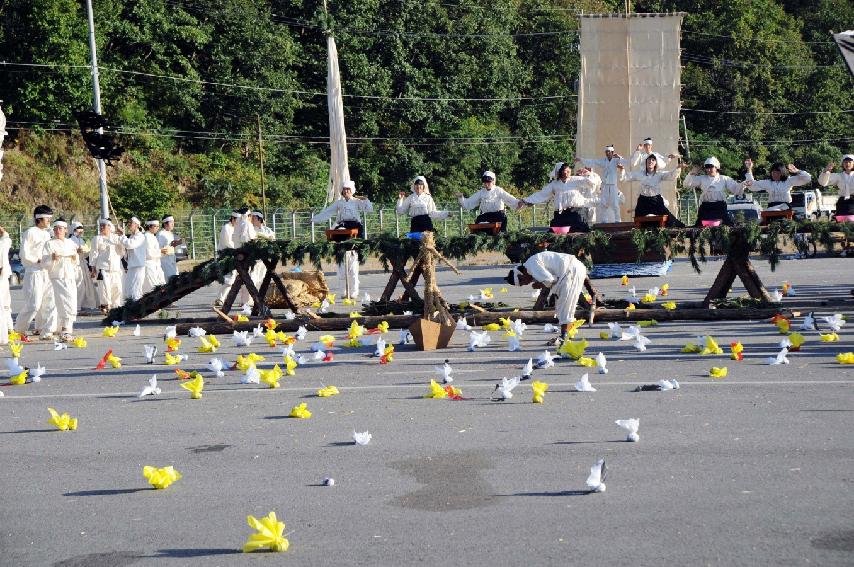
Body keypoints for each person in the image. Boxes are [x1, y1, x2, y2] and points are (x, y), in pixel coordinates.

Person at [505, 251, 587, 346]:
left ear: (521, 275)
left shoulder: (531, 266)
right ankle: (567, 334)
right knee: (565, 306)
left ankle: (564, 337)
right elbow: (553, 279)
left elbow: (549, 280)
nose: (527, 284)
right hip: (573, 270)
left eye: (523, 282)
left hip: (570, 271)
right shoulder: (531, 264)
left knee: (564, 307)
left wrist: (539, 284)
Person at [14, 205, 57, 340]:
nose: (49, 221)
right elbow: (24, 254)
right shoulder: (30, 232)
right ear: (39, 218)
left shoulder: (47, 233)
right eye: (47, 218)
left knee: (50, 303)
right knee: (34, 305)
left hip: (47, 271)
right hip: (34, 272)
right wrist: (38, 261)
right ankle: (19, 331)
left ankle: (46, 331)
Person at [518, 162, 598, 231]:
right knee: (556, 234)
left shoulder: (576, 180)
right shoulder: (554, 184)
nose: (566, 173)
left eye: (568, 170)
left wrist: (588, 174)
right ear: (559, 172)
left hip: (577, 213)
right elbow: (541, 194)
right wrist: (525, 201)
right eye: (564, 171)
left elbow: (592, 183)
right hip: (561, 214)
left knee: (579, 234)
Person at [618, 154, 687, 227]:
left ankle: (677, 231)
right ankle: (641, 235)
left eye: (653, 160)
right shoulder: (640, 174)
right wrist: (622, 169)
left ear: (655, 163)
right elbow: (626, 177)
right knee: (638, 218)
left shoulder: (659, 174)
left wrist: (678, 167)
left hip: (656, 201)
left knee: (669, 219)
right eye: (649, 160)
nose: (650, 161)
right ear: (646, 162)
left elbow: (671, 175)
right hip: (643, 201)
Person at [43, 219, 79, 341]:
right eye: (56, 228)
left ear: (65, 230)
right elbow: (44, 262)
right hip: (57, 275)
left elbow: (76, 260)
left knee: (72, 301)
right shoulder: (49, 244)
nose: (58, 231)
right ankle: (65, 330)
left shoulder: (70, 243)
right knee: (65, 302)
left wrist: (74, 257)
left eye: (60, 228)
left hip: (69, 275)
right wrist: (52, 257)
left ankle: (67, 329)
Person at [683, 157, 745, 226]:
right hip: (706, 207)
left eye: (711, 167)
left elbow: (736, 189)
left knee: (728, 226)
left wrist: (743, 184)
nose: (708, 170)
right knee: (698, 227)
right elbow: (686, 185)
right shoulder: (702, 178)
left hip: (720, 206)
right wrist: (692, 173)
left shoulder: (724, 178)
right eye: (707, 167)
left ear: (716, 167)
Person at [576, 146, 625, 223]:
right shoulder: (603, 161)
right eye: (606, 152)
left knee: (615, 204)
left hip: (612, 186)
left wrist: (619, 158)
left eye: (609, 152)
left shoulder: (616, 161)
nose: (608, 153)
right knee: (603, 204)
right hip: (603, 187)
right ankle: (604, 220)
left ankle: (617, 220)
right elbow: (593, 162)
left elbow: (624, 162)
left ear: (612, 153)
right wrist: (581, 160)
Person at [743, 159, 812, 210]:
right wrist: (749, 169)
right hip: (771, 208)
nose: (775, 175)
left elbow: (807, 178)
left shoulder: (789, 180)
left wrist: (797, 171)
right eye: (773, 172)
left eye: (778, 173)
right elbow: (752, 186)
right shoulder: (768, 182)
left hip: (786, 208)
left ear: (782, 173)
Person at [90, 219, 124, 313]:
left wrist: (122, 236)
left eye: (104, 225)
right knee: (105, 289)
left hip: (115, 269)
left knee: (117, 289)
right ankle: (105, 308)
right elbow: (93, 254)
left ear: (109, 227)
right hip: (102, 269)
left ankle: (116, 308)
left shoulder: (116, 238)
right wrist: (93, 269)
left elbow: (122, 252)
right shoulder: (97, 239)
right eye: (100, 225)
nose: (101, 227)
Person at [69, 222, 98, 312]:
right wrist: (76, 251)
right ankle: (75, 305)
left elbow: (85, 255)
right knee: (78, 285)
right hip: (74, 265)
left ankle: (84, 304)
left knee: (86, 285)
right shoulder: (69, 241)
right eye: (78, 229)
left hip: (82, 265)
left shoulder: (81, 240)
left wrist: (86, 252)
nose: (80, 231)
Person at [215, 209, 241, 306]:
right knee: (229, 278)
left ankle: (221, 298)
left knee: (231, 278)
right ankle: (221, 299)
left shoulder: (236, 228)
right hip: (225, 255)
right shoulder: (226, 228)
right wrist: (238, 250)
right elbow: (228, 243)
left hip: (233, 255)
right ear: (233, 219)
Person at [119, 217, 147, 301]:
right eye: (129, 222)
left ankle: (137, 310)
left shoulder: (140, 236)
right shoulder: (131, 236)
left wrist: (122, 236)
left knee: (136, 290)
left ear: (137, 225)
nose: (129, 224)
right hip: (131, 266)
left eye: (131, 223)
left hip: (138, 266)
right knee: (129, 290)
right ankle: (131, 309)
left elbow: (130, 245)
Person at [143, 219, 167, 293]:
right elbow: (149, 252)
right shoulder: (146, 236)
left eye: (158, 226)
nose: (157, 228)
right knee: (153, 287)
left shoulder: (152, 236)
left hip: (156, 264)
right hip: (149, 265)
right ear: (150, 227)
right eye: (155, 226)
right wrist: (160, 251)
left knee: (162, 284)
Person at [157, 215, 181, 280]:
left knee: (176, 280)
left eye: (173, 222)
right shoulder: (161, 234)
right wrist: (170, 249)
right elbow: (159, 249)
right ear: (165, 223)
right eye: (171, 222)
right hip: (165, 262)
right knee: (171, 281)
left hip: (172, 260)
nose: (173, 224)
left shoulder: (170, 234)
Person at [0, 225, 11, 345]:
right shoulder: (3, 242)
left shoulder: (3, 243)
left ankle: (4, 334)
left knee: (3, 306)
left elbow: (6, 240)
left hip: (2, 277)